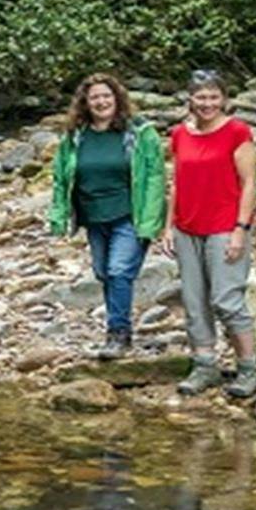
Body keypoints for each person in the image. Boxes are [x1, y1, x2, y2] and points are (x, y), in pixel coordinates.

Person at [48, 73, 168, 359]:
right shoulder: (75, 137)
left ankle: (118, 334)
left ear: (117, 99)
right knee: (103, 273)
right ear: (85, 103)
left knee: (118, 271)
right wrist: (59, 214)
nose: (101, 102)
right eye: (95, 98)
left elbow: (154, 176)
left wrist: (152, 220)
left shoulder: (138, 133)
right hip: (94, 216)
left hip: (129, 214)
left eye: (106, 96)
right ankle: (117, 330)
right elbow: (60, 177)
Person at [163, 69, 256, 398]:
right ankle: (204, 365)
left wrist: (240, 229)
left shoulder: (237, 131)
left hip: (224, 226)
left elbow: (249, 182)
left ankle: (249, 368)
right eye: (201, 97)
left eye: (213, 97)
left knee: (226, 299)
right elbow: (177, 182)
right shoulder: (179, 134)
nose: (207, 104)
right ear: (190, 99)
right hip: (187, 227)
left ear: (224, 99)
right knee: (194, 301)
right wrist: (168, 225)